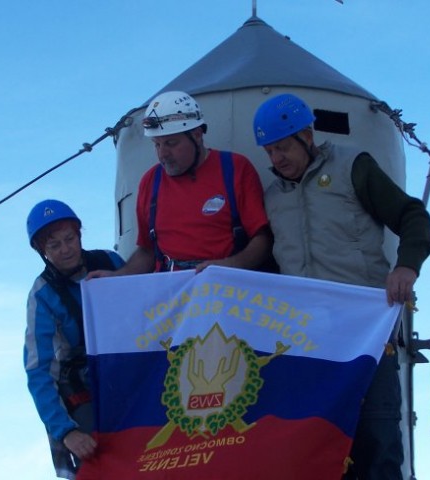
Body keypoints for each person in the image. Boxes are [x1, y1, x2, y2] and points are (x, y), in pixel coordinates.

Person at [253, 93, 430, 480]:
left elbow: (411, 215)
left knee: (378, 432)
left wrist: (406, 267)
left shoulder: (353, 166)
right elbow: (264, 263)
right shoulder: (271, 198)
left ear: (307, 134)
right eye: (269, 151)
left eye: (282, 146)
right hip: (306, 338)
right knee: (321, 440)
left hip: (365, 331)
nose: (276, 159)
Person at [89, 90, 272, 278]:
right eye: (157, 144)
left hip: (225, 290)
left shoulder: (235, 169)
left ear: (197, 134)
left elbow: (263, 239)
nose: (162, 154)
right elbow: (147, 252)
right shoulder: (150, 182)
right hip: (170, 295)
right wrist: (115, 278)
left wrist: (231, 265)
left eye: (171, 143)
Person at [23, 199, 124, 480]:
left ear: (80, 236)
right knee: (100, 462)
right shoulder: (41, 295)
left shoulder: (111, 261)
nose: (66, 249)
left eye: (70, 239)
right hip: (85, 384)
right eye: (54, 245)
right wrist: (66, 432)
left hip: (129, 368)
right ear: (42, 251)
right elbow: (38, 370)